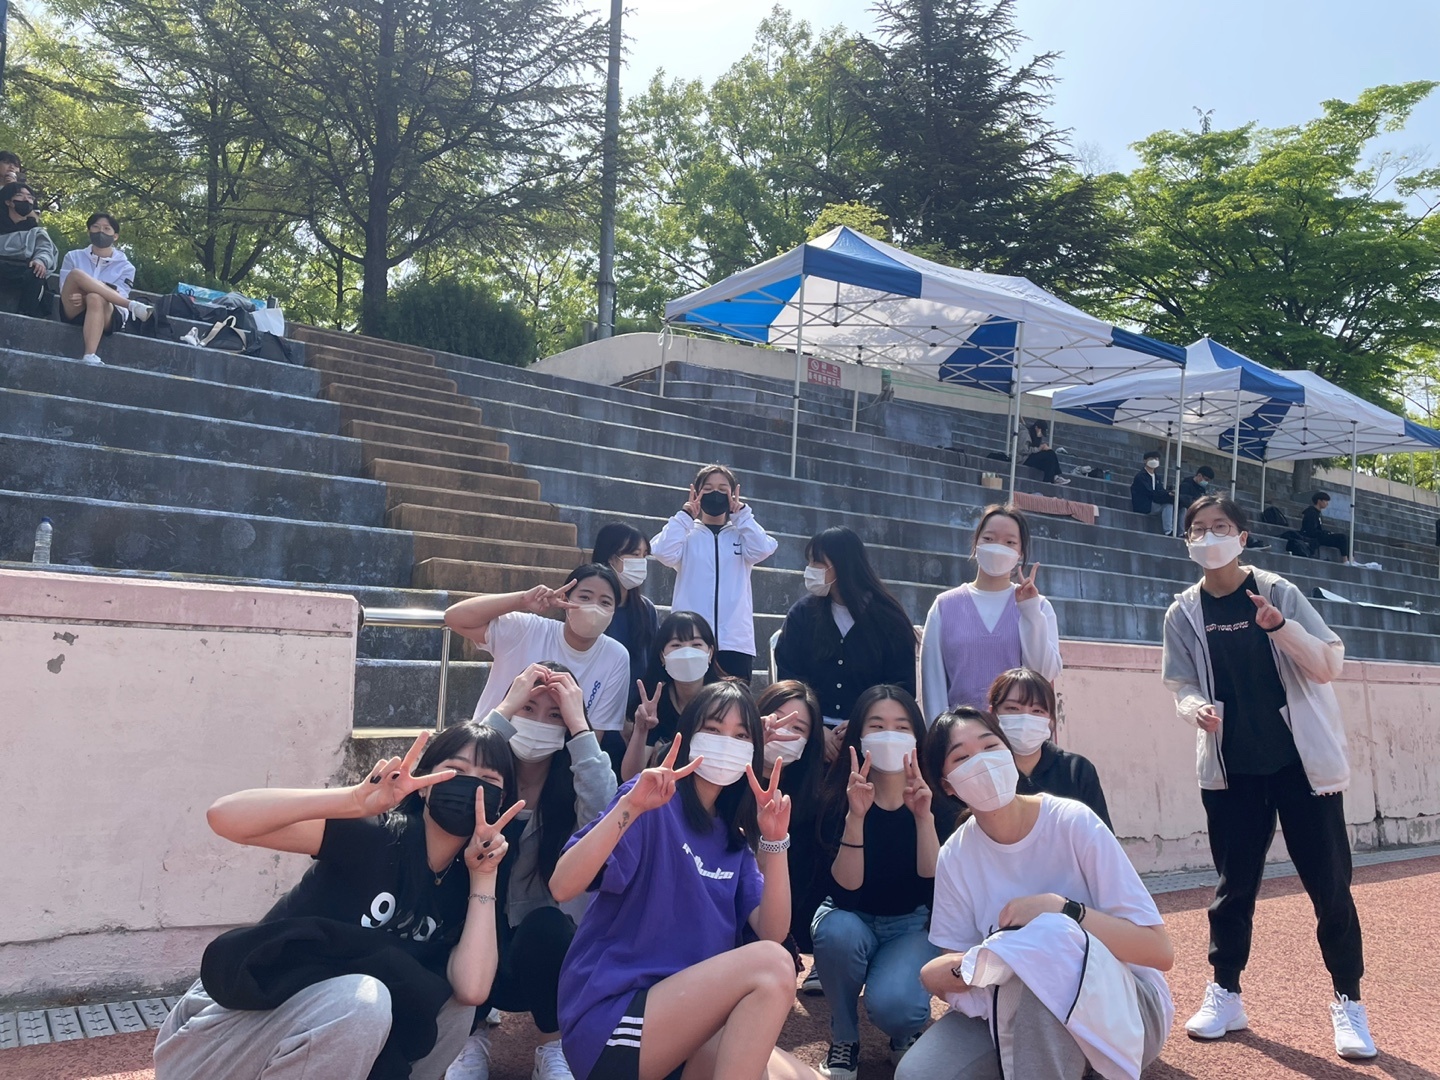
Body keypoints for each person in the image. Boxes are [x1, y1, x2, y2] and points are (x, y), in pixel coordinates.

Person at [154, 728, 525, 1080]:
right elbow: (224, 816)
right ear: (424, 784)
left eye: (488, 780)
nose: (471, 787)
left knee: (452, 1005)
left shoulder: (470, 878)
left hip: (331, 1031)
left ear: (502, 801)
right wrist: (352, 801)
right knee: (363, 999)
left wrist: (484, 875)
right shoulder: (378, 834)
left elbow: (472, 991)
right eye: (455, 771)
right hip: (220, 1033)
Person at [1162, 493, 1374, 1059]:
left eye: (1220, 527)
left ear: (1242, 537)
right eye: (1198, 529)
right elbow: (1181, 684)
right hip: (1232, 769)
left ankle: (1349, 1001)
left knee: (1330, 887)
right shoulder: (1183, 612)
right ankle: (1226, 993)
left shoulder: (1277, 592)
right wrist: (1194, 709)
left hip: (1301, 765)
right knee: (1232, 889)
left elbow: (1329, 663)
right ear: (1187, 541)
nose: (1209, 537)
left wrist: (1280, 627)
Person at [550, 681, 820, 1080]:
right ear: (689, 735)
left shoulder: (733, 841)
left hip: (686, 1028)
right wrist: (630, 806)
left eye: (741, 736)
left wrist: (775, 840)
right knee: (772, 965)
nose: (726, 743)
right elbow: (562, 885)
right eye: (713, 729)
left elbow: (772, 930)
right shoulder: (650, 802)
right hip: (614, 1021)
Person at [901, 706, 1173, 1080]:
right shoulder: (956, 855)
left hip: (1127, 1007)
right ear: (947, 785)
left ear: (1009, 753)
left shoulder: (1073, 822)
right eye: (962, 758)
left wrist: (1063, 911)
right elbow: (959, 972)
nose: (982, 762)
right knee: (920, 1073)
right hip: (1006, 1006)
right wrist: (992, 961)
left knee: (1047, 950)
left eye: (990, 746)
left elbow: (1158, 951)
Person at [446, 664, 619, 1080]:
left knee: (547, 926)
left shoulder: (572, 787)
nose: (539, 722)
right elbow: (456, 779)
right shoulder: (486, 780)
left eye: (554, 714)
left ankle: (552, 1046)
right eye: (528, 708)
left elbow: (605, 813)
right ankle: (468, 1037)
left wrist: (580, 727)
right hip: (472, 952)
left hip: (544, 962)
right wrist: (504, 710)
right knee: (456, 909)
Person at [810, 685, 940, 1080]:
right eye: (877, 726)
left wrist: (923, 818)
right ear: (859, 735)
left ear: (917, 737)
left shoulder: (937, 799)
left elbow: (934, 887)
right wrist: (857, 815)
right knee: (836, 932)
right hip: (852, 917)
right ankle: (845, 1036)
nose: (889, 736)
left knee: (898, 1007)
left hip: (910, 924)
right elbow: (846, 894)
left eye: (901, 727)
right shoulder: (836, 798)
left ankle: (903, 1033)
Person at [774, 526, 918, 753]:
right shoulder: (802, 614)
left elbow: (901, 684)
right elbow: (789, 674)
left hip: (871, 737)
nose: (810, 569)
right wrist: (816, 727)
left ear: (841, 565)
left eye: (817, 563)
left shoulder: (889, 619)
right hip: (810, 732)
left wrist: (863, 723)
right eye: (809, 562)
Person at [445, 564, 631, 737]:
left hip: (556, 756)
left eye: (605, 602)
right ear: (564, 599)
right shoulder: (526, 629)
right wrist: (522, 600)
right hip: (491, 744)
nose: (594, 607)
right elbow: (455, 618)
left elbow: (593, 735)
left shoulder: (616, 657)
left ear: (614, 610)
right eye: (585, 597)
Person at [919, 504, 1062, 724]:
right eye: (989, 538)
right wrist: (940, 736)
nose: (997, 547)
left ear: (1020, 553)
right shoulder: (944, 606)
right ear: (976, 543)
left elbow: (1043, 674)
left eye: (1010, 542)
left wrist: (1030, 612)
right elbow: (933, 685)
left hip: (1017, 735)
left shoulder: (1039, 607)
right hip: (961, 736)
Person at [650, 464, 778, 682]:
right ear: (696, 493)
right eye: (708, 489)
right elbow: (662, 552)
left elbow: (764, 548)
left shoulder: (741, 534)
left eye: (723, 489)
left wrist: (742, 516)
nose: (715, 494)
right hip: (690, 640)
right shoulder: (686, 534)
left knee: (733, 702)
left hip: (735, 642)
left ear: (733, 494)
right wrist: (685, 516)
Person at [754, 680, 828, 976]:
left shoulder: (812, 800)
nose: (784, 730)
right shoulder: (725, 779)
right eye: (777, 718)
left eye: (798, 728)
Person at [985, 667, 1111, 829]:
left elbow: (1101, 836)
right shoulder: (983, 773)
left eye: (1037, 711)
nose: (1025, 718)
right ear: (993, 713)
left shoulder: (1076, 771)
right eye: (1013, 708)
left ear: (1050, 719)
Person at [620, 610, 726, 781]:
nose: (687, 653)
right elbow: (630, 776)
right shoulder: (654, 703)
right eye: (676, 645)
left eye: (696, 644)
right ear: (662, 656)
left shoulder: (727, 700)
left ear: (710, 653)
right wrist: (641, 729)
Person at [57, 212, 154, 365]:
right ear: (89, 231)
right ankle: (132, 305)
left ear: (115, 236)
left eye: (106, 228)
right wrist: (81, 296)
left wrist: (86, 296)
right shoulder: (73, 256)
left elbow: (118, 294)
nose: (100, 231)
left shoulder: (126, 267)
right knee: (76, 274)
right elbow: (65, 287)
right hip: (75, 307)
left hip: (108, 314)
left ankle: (89, 355)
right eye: (96, 227)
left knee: (95, 297)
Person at [591, 523, 660, 718]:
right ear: (612, 558)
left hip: (633, 715)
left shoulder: (646, 610)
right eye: (635, 554)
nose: (641, 562)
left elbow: (652, 664)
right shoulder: (587, 607)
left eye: (644, 555)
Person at [0, 182, 56, 318]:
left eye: (30, 197)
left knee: (37, 272)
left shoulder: (36, 232)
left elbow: (45, 249)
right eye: (20, 195)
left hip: (23, 270)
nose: (26, 199)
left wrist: (40, 260)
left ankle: (24, 316)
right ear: (8, 201)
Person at [1301, 491, 1353, 564]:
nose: (1327, 503)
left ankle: (1351, 560)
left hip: (1319, 535)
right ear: (1319, 501)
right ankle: (1345, 560)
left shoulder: (1317, 513)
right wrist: (1325, 533)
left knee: (1348, 538)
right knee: (1342, 537)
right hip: (1314, 537)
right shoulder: (1311, 513)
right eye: (1325, 501)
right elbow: (1311, 530)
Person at [1130, 451, 1175, 535]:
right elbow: (1150, 492)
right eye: (1151, 459)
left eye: (1156, 459)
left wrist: (1168, 493)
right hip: (1145, 505)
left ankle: (1179, 532)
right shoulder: (1141, 476)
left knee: (1176, 504)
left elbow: (1160, 490)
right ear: (1145, 461)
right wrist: (1166, 495)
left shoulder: (1156, 477)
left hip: (1153, 502)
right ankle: (1168, 531)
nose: (1154, 461)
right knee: (1168, 504)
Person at [1022, 420, 1070, 486]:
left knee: (1050, 453)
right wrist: (1039, 448)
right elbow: (1023, 450)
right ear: (1036, 428)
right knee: (1049, 455)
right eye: (1041, 431)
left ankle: (1053, 477)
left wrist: (1043, 448)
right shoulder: (1025, 434)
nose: (1041, 434)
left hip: (1030, 456)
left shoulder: (1036, 436)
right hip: (1023, 458)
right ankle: (1052, 478)